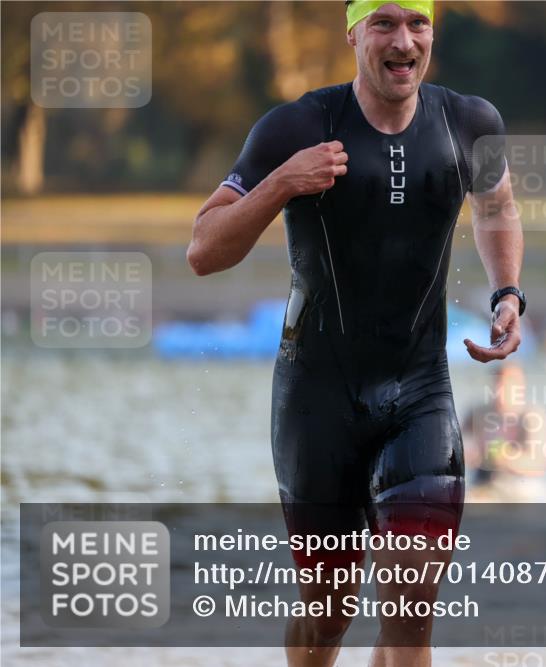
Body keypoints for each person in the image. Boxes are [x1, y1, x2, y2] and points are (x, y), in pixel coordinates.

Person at [186, 2, 525, 665]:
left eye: (418, 25)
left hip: (421, 391)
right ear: (353, 32)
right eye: (384, 24)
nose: (404, 42)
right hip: (318, 399)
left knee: (409, 607)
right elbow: (203, 250)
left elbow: (497, 207)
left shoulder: (470, 122)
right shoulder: (299, 125)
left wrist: (507, 291)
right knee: (328, 615)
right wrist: (284, 182)